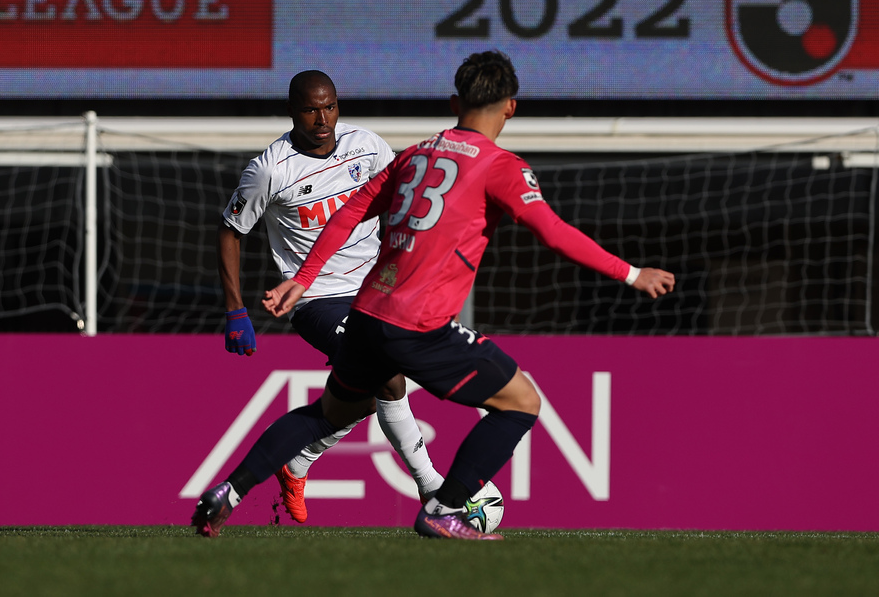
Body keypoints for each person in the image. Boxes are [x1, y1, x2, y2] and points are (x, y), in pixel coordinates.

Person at [194, 51, 675, 540]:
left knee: (330, 413)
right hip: (415, 320)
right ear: (511, 107)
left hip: (367, 309)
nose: (323, 119)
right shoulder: (500, 166)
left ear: (454, 102)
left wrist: (302, 276)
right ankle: (440, 504)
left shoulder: (413, 154)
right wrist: (632, 273)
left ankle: (229, 491)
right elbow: (552, 233)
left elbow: (350, 212)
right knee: (521, 402)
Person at [216, 70, 444, 524]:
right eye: (310, 110)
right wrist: (235, 309)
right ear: (291, 111)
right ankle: (434, 489)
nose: (322, 119)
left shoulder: (368, 147)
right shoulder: (270, 169)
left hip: (377, 290)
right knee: (385, 373)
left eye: (330, 107)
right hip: (316, 299)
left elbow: (401, 201)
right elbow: (230, 231)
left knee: (364, 393)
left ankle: (298, 461)